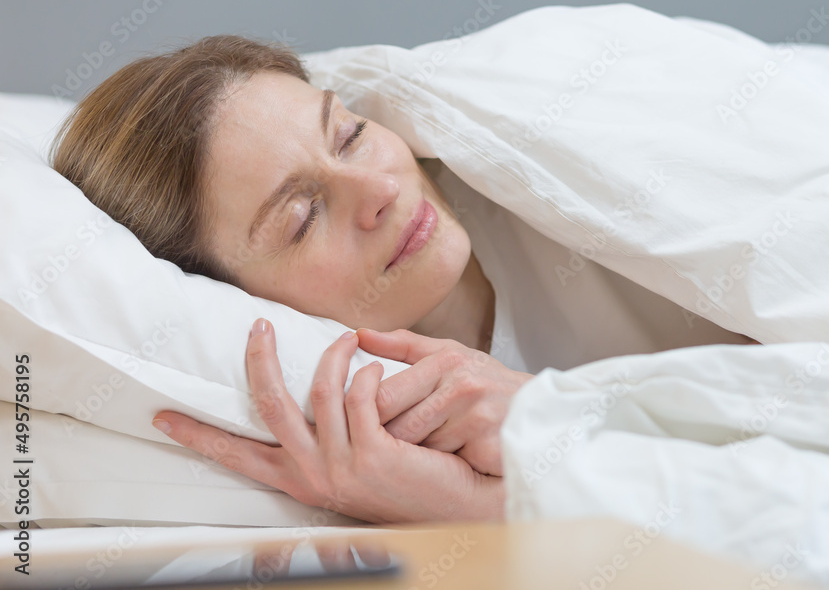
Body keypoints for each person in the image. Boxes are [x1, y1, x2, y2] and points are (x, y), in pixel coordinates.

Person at [51, 35, 758, 523]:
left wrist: (554, 423)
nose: (380, 188)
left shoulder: (582, 202)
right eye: (303, 217)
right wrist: (482, 506)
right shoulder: (375, 449)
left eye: (349, 135)